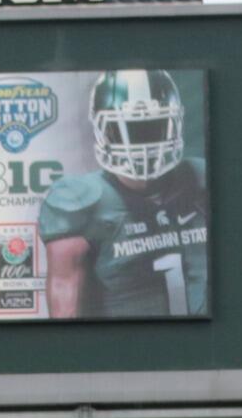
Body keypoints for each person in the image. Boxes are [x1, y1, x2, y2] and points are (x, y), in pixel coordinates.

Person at [41, 69, 210, 319]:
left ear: (175, 124)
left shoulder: (201, 179)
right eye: (126, 129)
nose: (142, 146)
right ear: (101, 130)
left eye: (152, 127)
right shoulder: (78, 200)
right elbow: (66, 311)